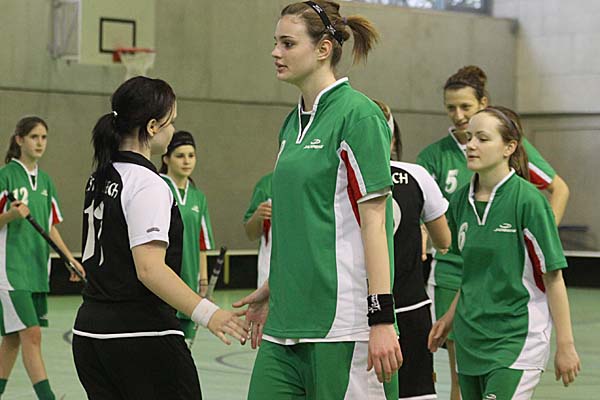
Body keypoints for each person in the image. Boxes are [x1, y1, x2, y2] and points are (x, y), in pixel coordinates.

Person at [234, 2, 402, 399]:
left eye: (288, 43)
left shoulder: (359, 116)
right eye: (276, 42)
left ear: (323, 49)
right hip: (285, 323)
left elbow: (375, 223)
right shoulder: (291, 124)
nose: (275, 52)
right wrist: (274, 287)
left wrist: (381, 319)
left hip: (342, 324)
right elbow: (305, 222)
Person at [71, 76, 248, 400]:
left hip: (89, 335)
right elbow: (149, 269)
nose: (173, 130)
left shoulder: (99, 177)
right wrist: (209, 313)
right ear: (152, 126)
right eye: (171, 121)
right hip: (139, 335)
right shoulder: (148, 183)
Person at [416, 65, 570, 400]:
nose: (470, 144)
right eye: (470, 137)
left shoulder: (526, 200)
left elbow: (554, 276)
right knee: (457, 388)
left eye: (482, 138)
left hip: (514, 333)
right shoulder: (458, 196)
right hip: (467, 319)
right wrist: (449, 316)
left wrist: (566, 345)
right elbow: (470, 269)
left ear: (509, 147)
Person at [0, 116, 85, 400]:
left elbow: (50, 226)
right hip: (10, 271)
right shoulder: (5, 176)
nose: (40, 143)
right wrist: (11, 215)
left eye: (44, 137)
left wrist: (68, 258)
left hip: (36, 269)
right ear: (19, 140)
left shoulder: (46, 181)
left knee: (12, 339)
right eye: (34, 137)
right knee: (32, 334)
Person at [374, 99, 451, 400]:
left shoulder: (336, 178)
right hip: (410, 308)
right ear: (392, 139)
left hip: (357, 310)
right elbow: (444, 241)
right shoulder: (416, 176)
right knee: (415, 393)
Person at [159, 130, 215, 344]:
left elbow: (202, 244)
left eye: (191, 156)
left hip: (189, 283)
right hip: (162, 282)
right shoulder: (157, 187)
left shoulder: (198, 197)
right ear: (166, 158)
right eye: (180, 156)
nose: (186, 161)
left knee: (184, 349)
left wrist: (203, 283)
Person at [243, 172, 272, 288]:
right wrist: (258, 216)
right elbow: (251, 234)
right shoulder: (266, 185)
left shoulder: (316, 183)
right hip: (269, 271)